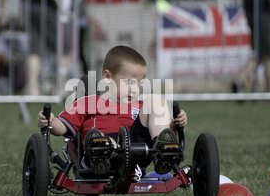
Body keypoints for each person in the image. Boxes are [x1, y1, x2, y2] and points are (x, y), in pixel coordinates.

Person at [37, 45, 188, 178]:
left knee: (156, 100)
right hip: (100, 155)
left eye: (139, 84)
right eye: (129, 83)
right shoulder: (88, 102)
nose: (135, 90)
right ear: (108, 77)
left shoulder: (142, 105)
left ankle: (162, 151)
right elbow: (63, 127)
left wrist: (174, 125)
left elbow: (160, 127)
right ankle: (104, 149)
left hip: (137, 153)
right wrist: (50, 121)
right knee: (107, 142)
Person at [21, 0, 57, 95]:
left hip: (30, 5)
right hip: (43, 5)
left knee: (34, 47)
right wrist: (56, 4)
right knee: (58, 46)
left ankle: (33, 89)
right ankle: (59, 88)